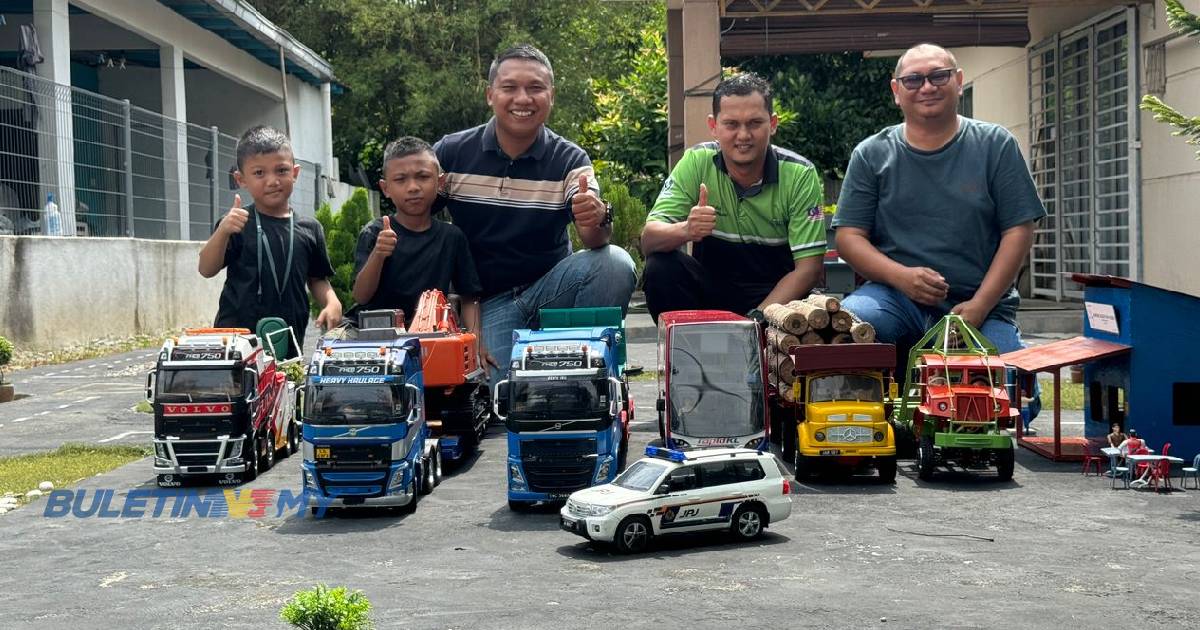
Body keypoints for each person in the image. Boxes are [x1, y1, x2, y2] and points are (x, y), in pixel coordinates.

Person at [833, 43, 1046, 428]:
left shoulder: (995, 146)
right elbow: (849, 238)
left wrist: (981, 304)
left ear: (959, 82)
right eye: (913, 80)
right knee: (858, 323)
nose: (926, 87)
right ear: (896, 90)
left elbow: (1019, 229)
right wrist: (901, 277)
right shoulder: (871, 154)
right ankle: (886, 409)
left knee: (1015, 398)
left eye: (938, 76)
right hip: (894, 299)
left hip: (977, 306)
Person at [434, 44, 636, 383]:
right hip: (487, 303)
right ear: (490, 94)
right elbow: (417, 218)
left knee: (614, 262)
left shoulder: (569, 158)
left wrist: (596, 215)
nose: (523, 99)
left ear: (551, 96)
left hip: (551, 290)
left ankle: (585, 374)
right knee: (505, 398)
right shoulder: (452, 152)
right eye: (510, 88)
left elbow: (594, 237)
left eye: (536, 88)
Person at [640, 73, 826, 322]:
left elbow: (809, 270)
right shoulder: (696, 161)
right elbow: (649, 239)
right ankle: (685, 355)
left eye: (754, 123)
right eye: (731, 124)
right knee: (660, 268)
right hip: (710, 292)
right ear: (713, 126)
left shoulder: (800, 174)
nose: (743, 135)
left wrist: (755, 320)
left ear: (772, 123)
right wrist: (686, 229)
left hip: (778, 298)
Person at [199, 125, 342, 356]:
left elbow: (317, 278)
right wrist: (223, 231)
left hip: (289, 339)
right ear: (240, 179)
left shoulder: (310, 229)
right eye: (259, 173)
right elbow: (206, 268)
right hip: (237, 341)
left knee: (286, 389)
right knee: (238, 390)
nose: (272, 180)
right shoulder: (236, 223)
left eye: (281, 170)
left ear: (295, 173)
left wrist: (332, 302)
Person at [350, 136, 484, 352]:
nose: (413, 187)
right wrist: (378, 254)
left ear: (440, 182)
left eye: (422, 177)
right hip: (377, 339)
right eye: (401, 179)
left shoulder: (452, 237)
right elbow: (361, 296)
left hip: (431, 338)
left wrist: (476, 344)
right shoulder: (376, 232)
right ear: (386, 188)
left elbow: (470, 298)